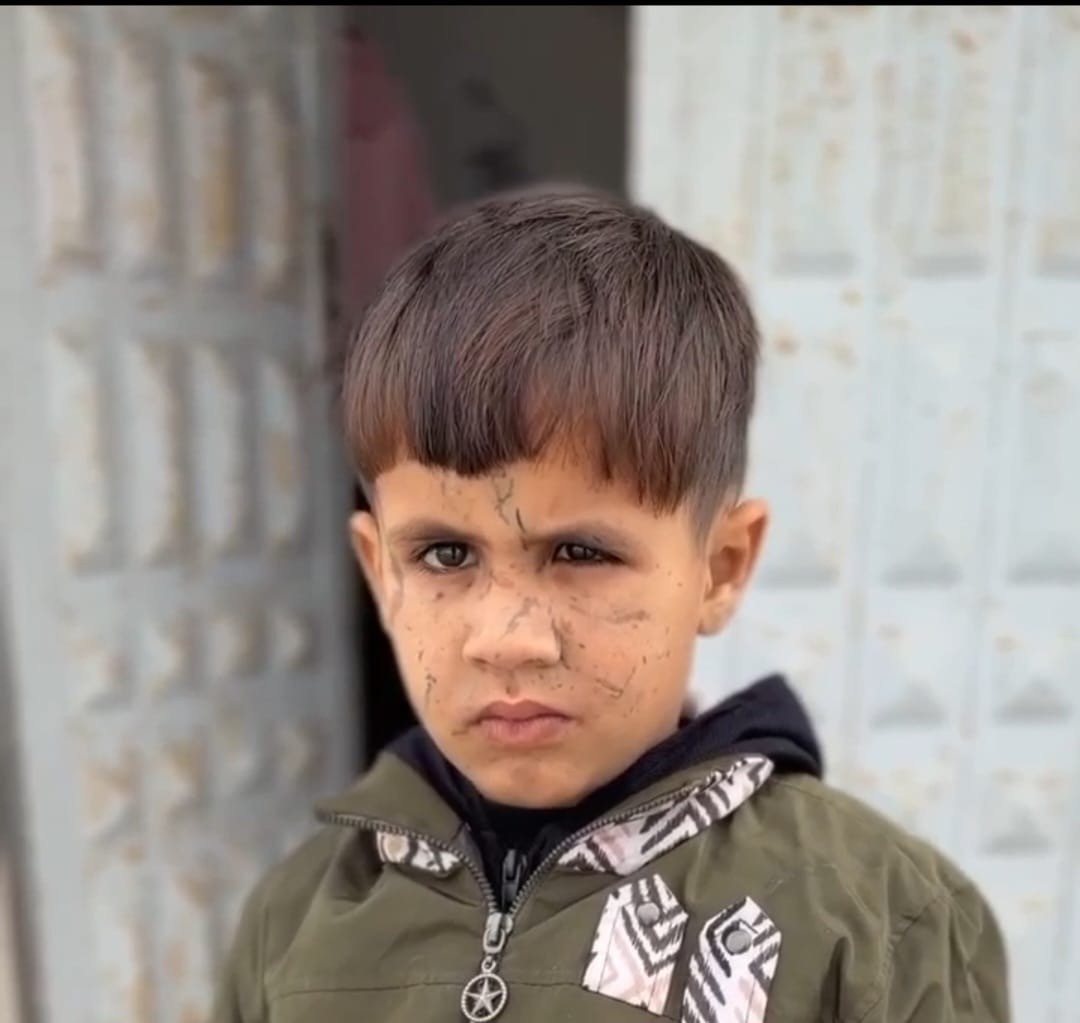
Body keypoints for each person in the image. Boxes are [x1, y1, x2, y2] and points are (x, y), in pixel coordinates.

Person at [212, 187, 1010, 1022]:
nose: (507, 639)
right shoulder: (295, 921)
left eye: (581, 554)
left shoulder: (881, 923)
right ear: (381, 573)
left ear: (720, 568)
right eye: (445, 554)